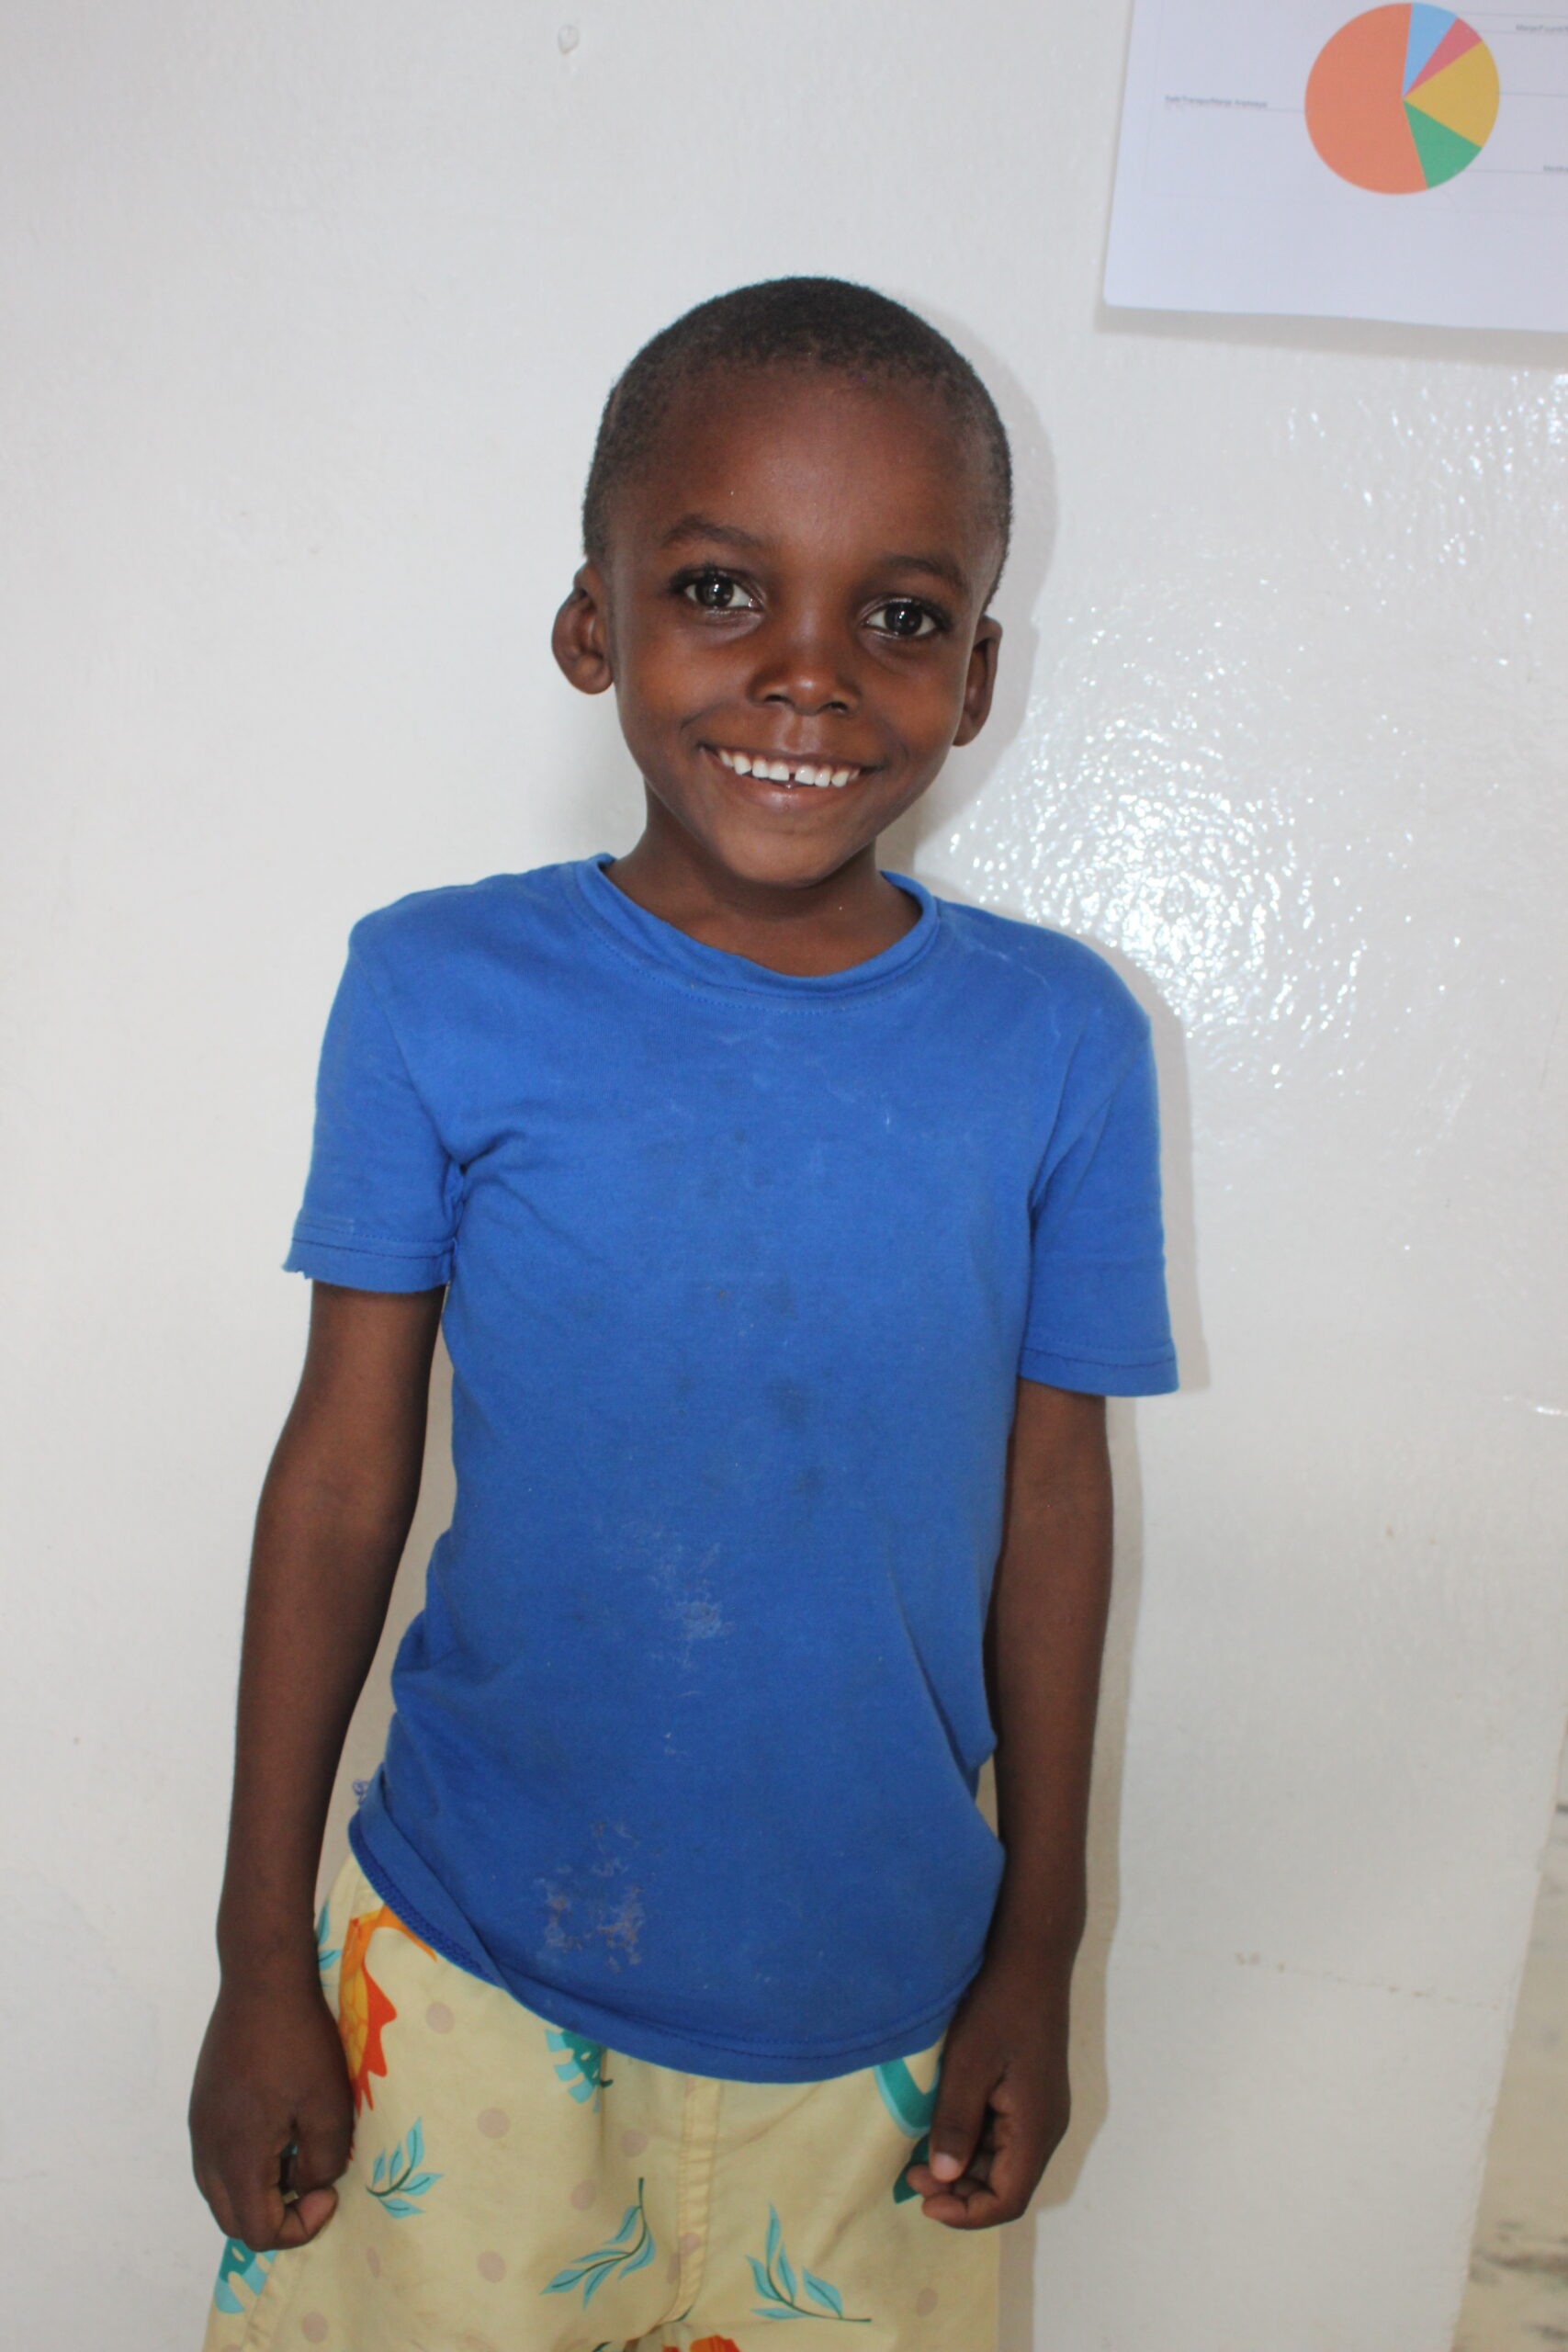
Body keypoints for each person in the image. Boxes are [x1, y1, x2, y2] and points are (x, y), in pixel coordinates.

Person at [189, 276, 1178, 2352]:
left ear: (977, 673)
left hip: (883, 2026)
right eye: (722, 587)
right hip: (463, 1984)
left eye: (898, 613)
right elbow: (343, 1475)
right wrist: (258, 1954)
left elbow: (1054, 1504)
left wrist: (1042, 1946)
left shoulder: (1057, 1040)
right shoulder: (436, 989)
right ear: (593, 623)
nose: (808, 672)